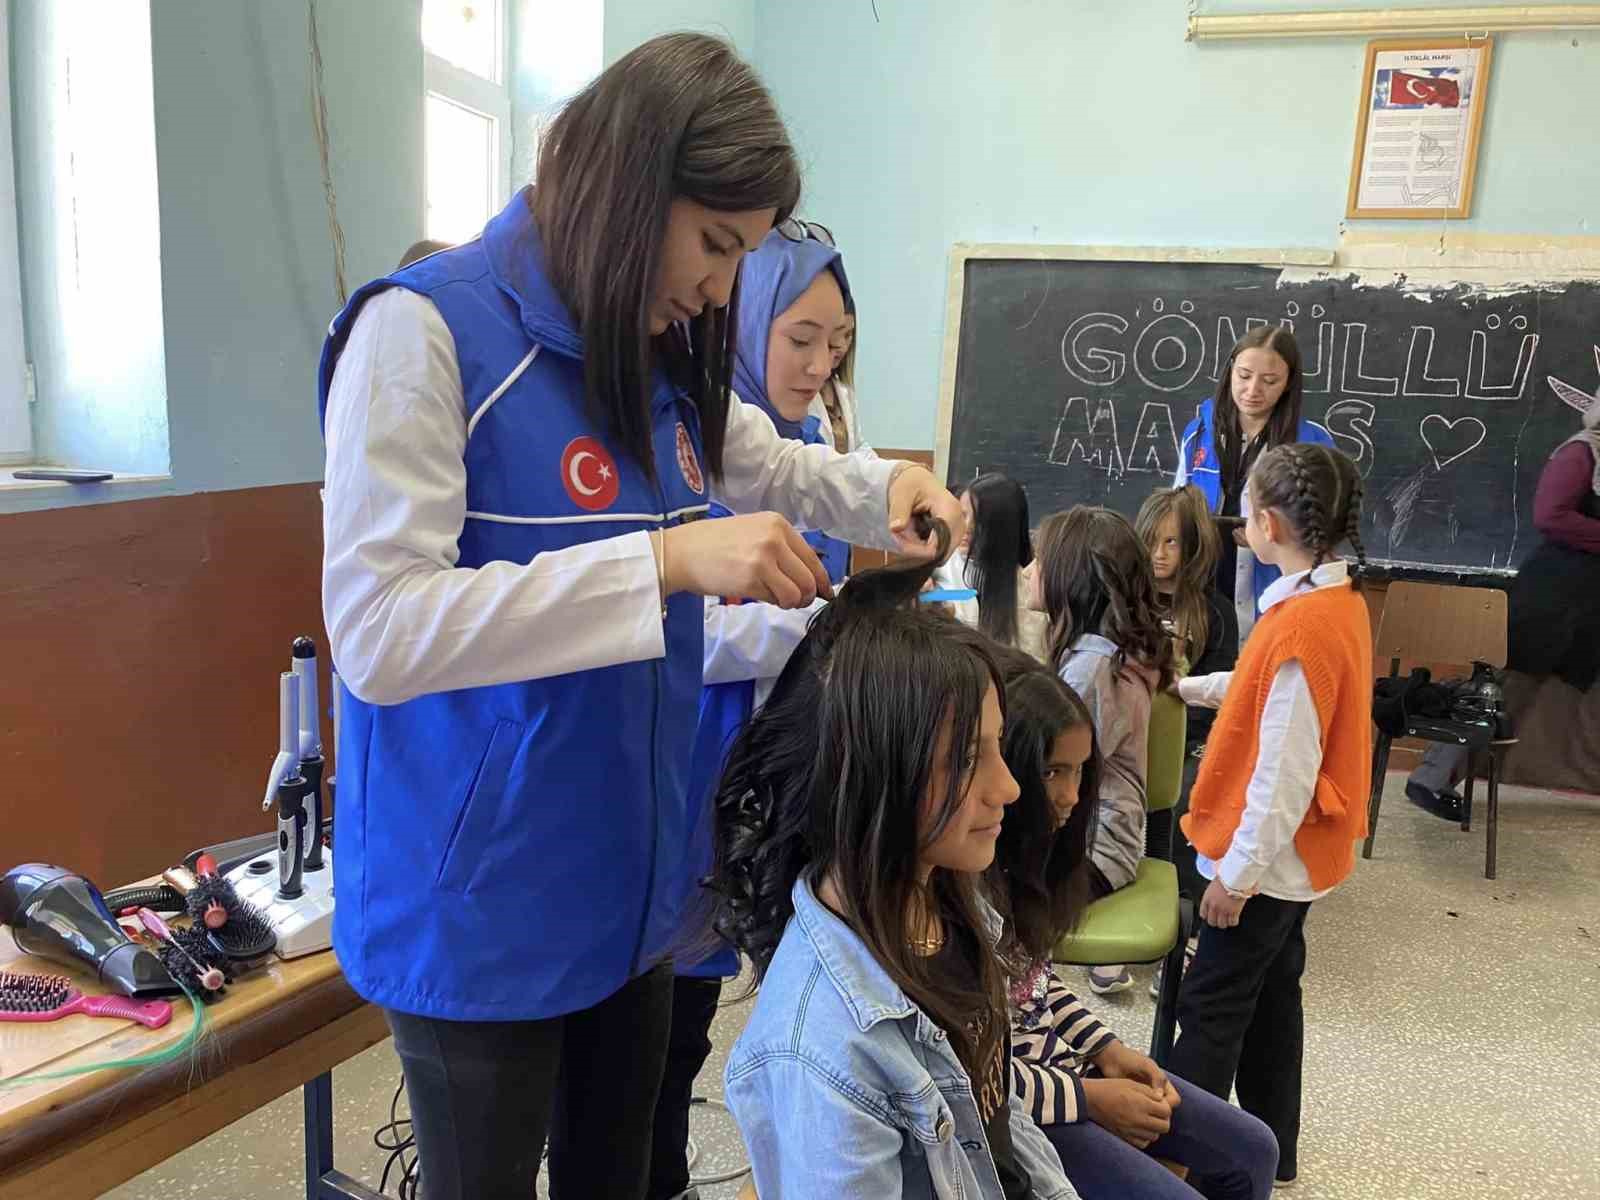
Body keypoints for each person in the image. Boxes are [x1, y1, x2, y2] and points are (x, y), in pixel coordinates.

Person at [316, 35, 964, 1200]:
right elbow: (382, 631)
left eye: (743, 254)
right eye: (716, 244)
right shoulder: (422, 335)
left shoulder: (649, 352)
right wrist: (660, 562)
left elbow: (762, 460)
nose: (722, 287)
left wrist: (884, 490)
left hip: (630, 887)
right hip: (481, 904)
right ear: (627, 187)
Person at [708, 554, 1077, 1199]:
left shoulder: (952, 902)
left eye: (998, 748)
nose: (1010, 787)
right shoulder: (826, 1046)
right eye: (968, 760)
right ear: (878, 777)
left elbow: (995, 1117)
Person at [647, 227, 852, 1200]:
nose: (819, 365)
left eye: (837, 343)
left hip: (774, 767)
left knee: (769, 1006)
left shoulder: (809, 447)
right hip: (694, 764)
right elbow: (672, 625)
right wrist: (798, 624)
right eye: (800, 338)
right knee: (668, 1019)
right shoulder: (686, 445)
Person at [1166, 444, 1372, 1190]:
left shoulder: (1300, 628)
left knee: (1212, 1007)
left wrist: (1238, 878)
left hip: (1265, 866)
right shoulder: (1329, 602)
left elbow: (1282, 772)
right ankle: (1272, 1151)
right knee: (1275, 999)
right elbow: (1262, 689)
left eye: (1245, 512)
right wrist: (1186, 686)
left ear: (1267, 521)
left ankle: (1184, 1167)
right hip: (1300, 864)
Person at [994, 663, 1278, 1200]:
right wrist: (1091, 1098)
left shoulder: (1032, 864)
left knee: (1255, 1148)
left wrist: (1108, 1049)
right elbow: (970, 1076)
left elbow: (1035, 985)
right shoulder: (962, 889)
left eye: (1080, 773)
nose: (1071, 795)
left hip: (1066, 1075)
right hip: (1018, 1115)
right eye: (1052, 772)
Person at [1406, 401, 1600, 819]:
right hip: (1555, 596)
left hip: (1590, 605)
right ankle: (1431, 779)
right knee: (1503, 687)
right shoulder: (1583, 452)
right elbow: (1552, 516)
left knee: (1575, 700)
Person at [1026, 507, 1177, 994]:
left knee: (970, 909)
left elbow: (1047, 775)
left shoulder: (1093, 669)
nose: (1028, 571)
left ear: (1070, 580)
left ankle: (1021, 1025)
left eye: (1038, 562)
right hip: (1093, 839)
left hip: (1094, 849)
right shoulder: (1097, 654)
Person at [1175, 327, 1335, 642]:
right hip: (1205, 578)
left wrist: (1270, 537)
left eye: (1270, 381)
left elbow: (1326, 526)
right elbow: (1176, 507)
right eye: (1244, 375)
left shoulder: (1313, 443)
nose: (1253, 389)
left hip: (1274, 581)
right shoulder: (1197, 434)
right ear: (1230, 370)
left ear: (1289, 383)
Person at [1135, 485, 1239, 914]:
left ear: (1192, 545)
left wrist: (1172, 744)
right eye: (1151, 541)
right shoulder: (1125, 600)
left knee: (1181, 804)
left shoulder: (1215, 612)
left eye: (1171, 541)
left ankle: (1178, 910)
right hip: (1128, 734)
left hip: (1187, 740)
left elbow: (1217, 696)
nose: (1158, 553)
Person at [946, 473, 1049, 661]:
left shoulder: (1031, 590)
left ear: (1001, 529)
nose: (966, 527)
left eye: (979, 520)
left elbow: (1034, 665)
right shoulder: (943, 567)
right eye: (963, 515)